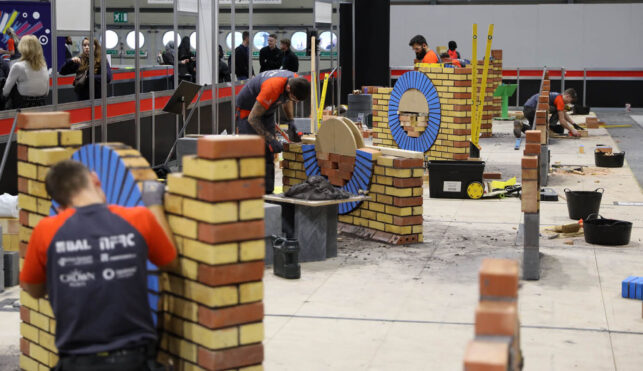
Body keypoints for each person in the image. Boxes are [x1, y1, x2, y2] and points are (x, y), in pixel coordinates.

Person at [20, 160, 177, 370]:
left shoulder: (46, 230)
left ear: (59, 207)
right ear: (95, 180)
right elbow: (170, 261)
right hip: (135, 360)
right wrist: (154, 204)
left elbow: (33, 289)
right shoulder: (139, 218)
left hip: (78, 361)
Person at [236, 70, 310, 193]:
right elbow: (253, 118)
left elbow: (287, 100)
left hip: (266, 110)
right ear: (288, 88)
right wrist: (270, 139)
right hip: (248, 111)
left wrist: (291, 120)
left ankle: (267, 192)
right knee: (252, 151)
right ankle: (248, 193)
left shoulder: (296, 80)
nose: (294, 102)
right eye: (295, 99)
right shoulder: (272, 87)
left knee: (268, 152)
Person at [1, 35, 49, 109]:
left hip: (23, 107)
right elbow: (46, 92)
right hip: (42, 105)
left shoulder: (18, 66)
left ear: (22, 48)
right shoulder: (44, 65)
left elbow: (6, 92)